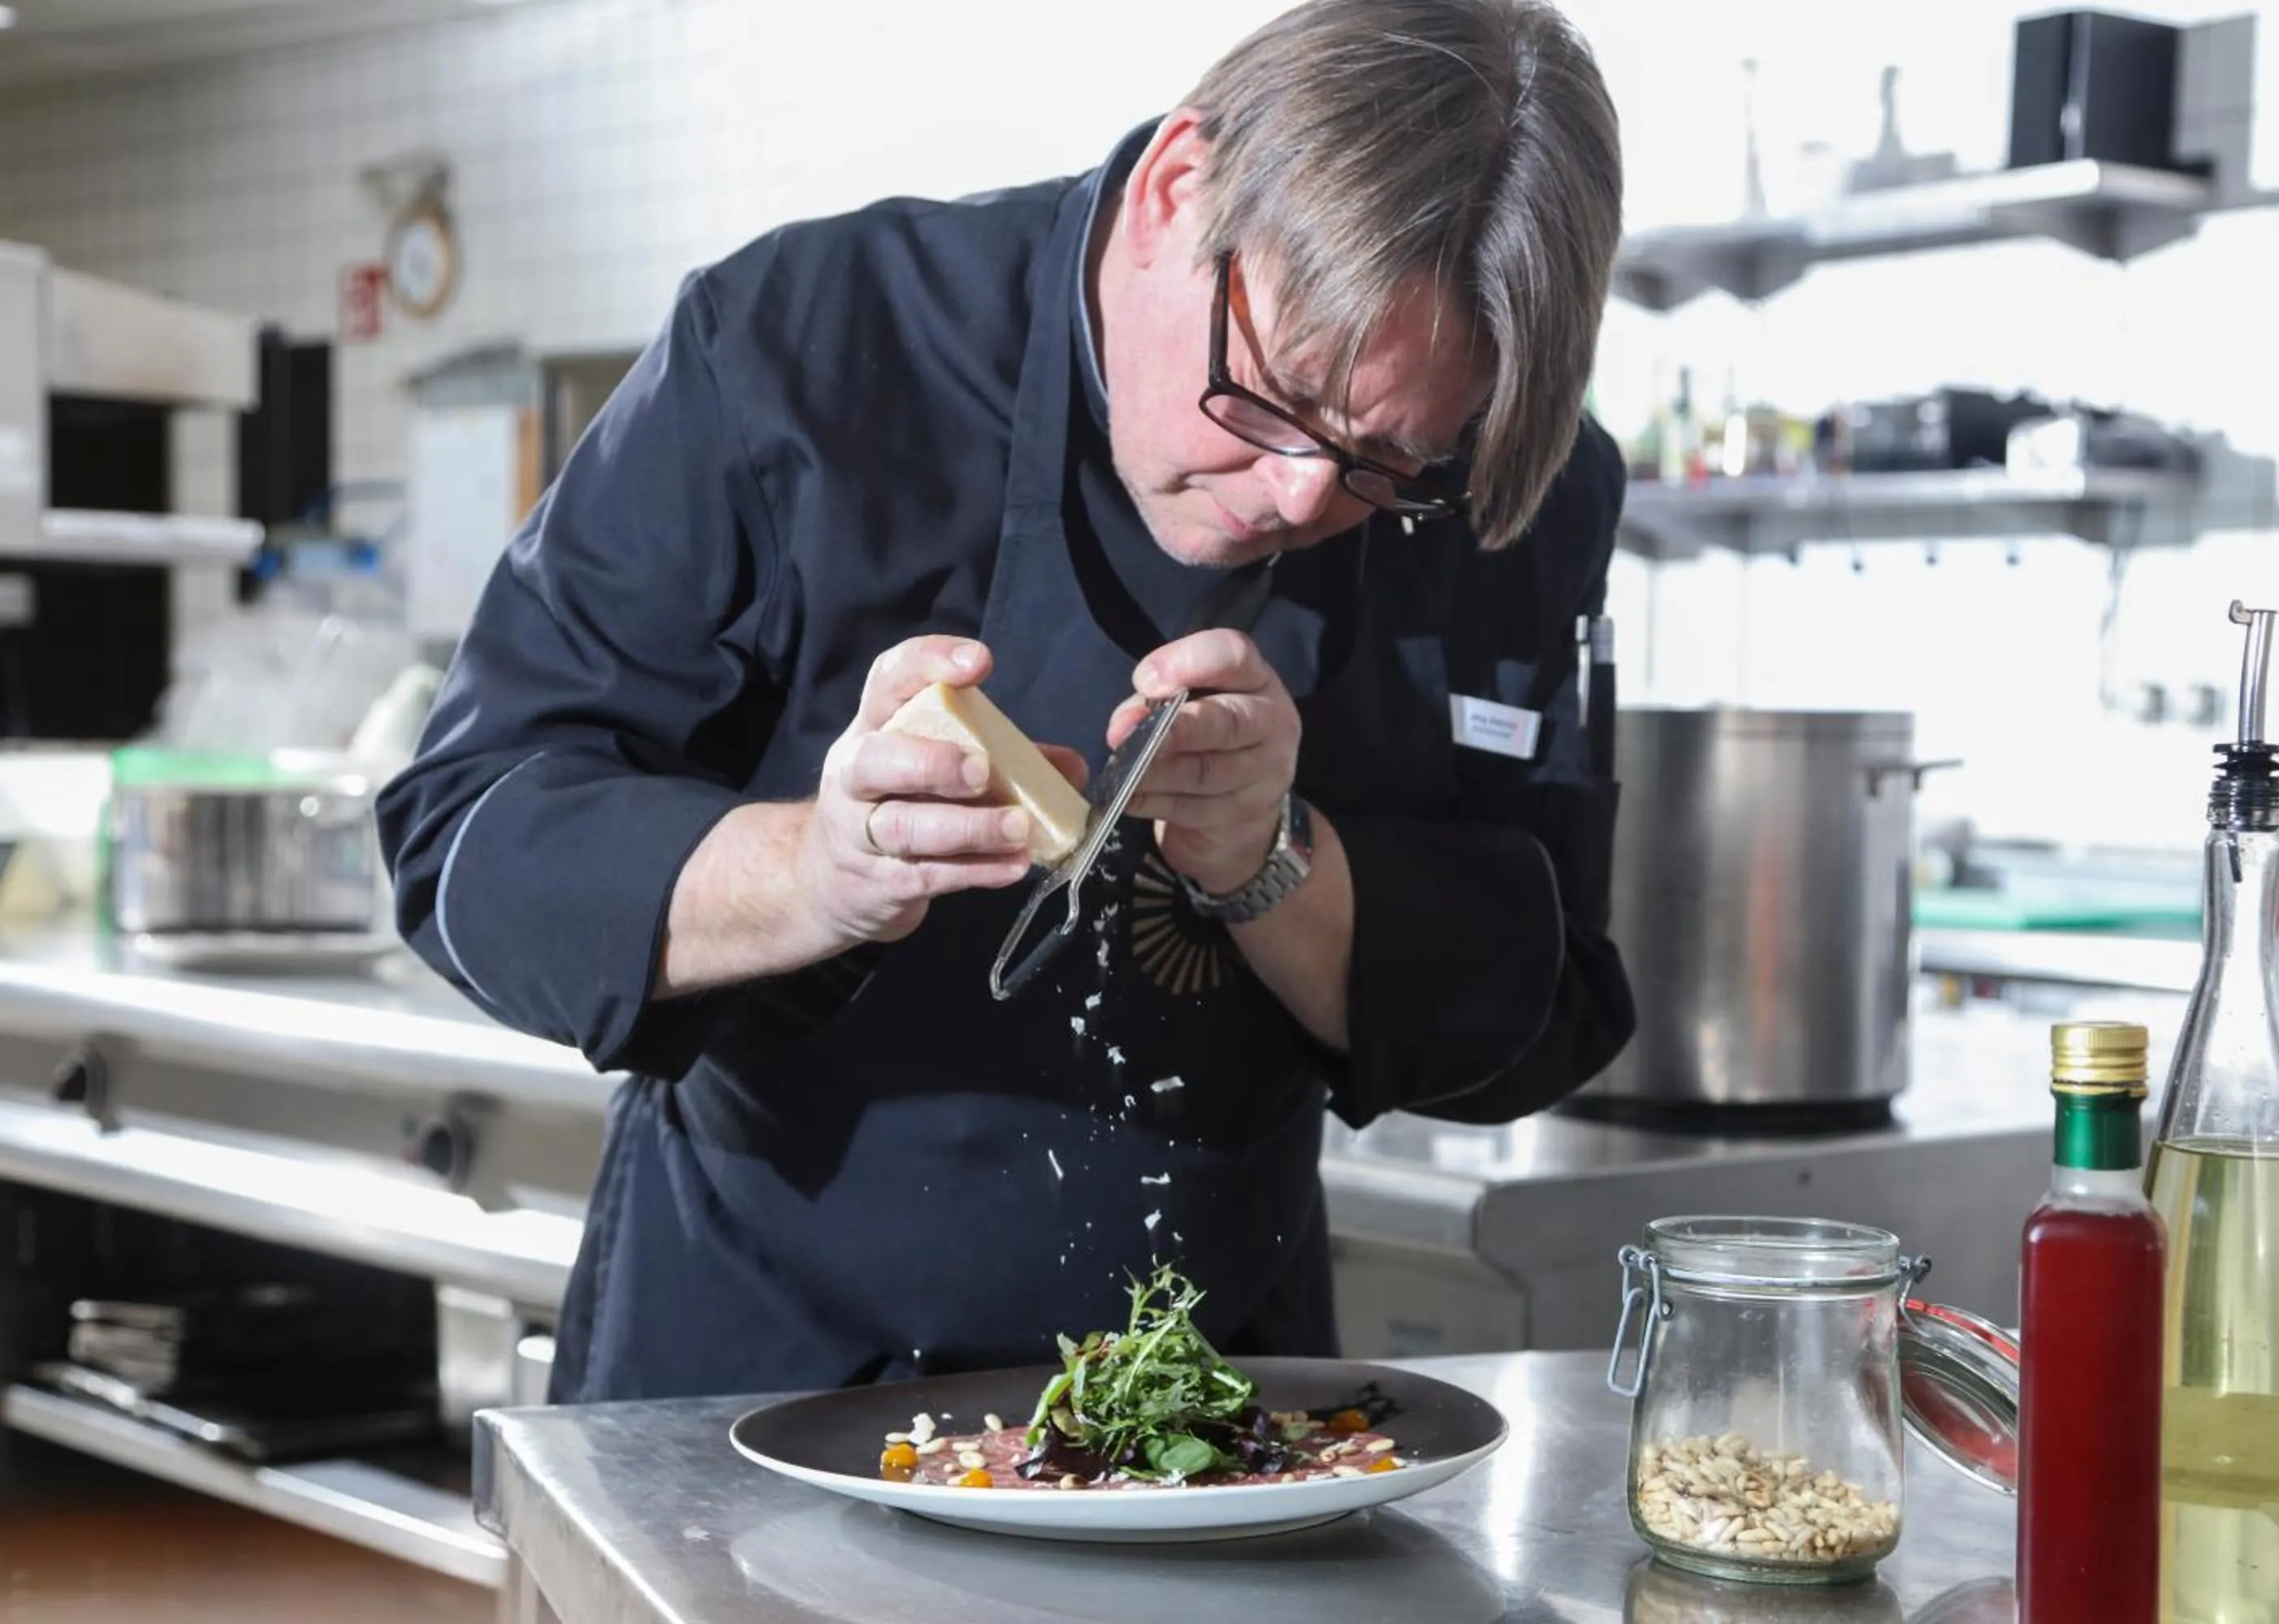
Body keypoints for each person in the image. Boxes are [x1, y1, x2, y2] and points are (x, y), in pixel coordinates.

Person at [377, 0, 1635, 1404]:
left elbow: (1545, 1008)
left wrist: (1272, 864)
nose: (1302, 495)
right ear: (1175, 191)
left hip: (1212, 1394)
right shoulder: (801, 347)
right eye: (1270, 401)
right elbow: (467, 838)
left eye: (1389, 464)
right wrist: (815, 866)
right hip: (750, 1369)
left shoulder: (1510, 485)